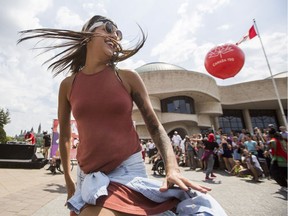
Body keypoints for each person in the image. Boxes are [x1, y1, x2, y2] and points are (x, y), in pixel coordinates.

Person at [18, 15, 227, 216]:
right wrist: (69, 180)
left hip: (126, 170)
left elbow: (155, 126)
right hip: (86, 176)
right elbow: (64, 137)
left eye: (118, 33)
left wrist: (172, 168)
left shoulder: (127, 78)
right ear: (88, 34)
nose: (116, 36)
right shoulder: (68, 85)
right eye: (109, 28)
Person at [265, 127, 287, 192]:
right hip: (284, 157)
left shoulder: (273, 140)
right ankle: (284, 185)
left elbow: (269, 146)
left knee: (274, 172)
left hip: (279, 159)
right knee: (283, 172)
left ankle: (284, 185)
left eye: (269, 134)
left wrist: (266, 151)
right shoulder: (282, 139)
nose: (268, 136)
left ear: (271, 135)